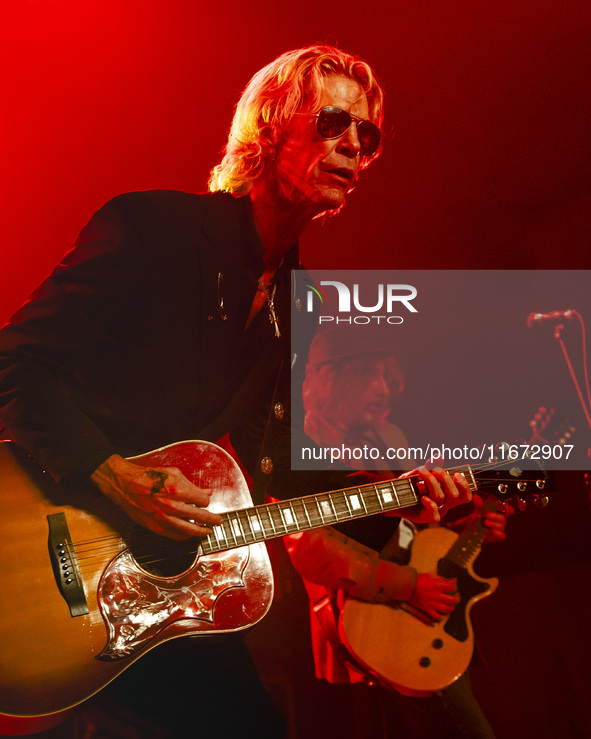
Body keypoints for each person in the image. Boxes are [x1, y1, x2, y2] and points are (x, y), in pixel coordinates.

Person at [0, 46, 471, 737]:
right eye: (332, 122)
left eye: (364, 136)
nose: (350, 146)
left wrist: (406, 488)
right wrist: (112, 472)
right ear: (270, 127)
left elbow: (271, 459)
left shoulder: (292, 302)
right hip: (46, 535)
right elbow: (15, 363)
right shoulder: (151, 229)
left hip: (157, 588)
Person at [286, 326, 512, 737]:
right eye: (371, 375)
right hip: (366, 626)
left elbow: (412, 535)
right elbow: (310, 549)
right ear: (331, 379)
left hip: (417, 620)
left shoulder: (388, 436)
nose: (387, 389)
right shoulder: (303, 444)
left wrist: (468, 528)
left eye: (390, 376)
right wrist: (407, 585)